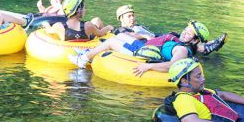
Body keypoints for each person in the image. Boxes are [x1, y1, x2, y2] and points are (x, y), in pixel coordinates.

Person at [70, 20, 226, 72]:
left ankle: (83, 59)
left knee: (111, 42)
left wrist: (148, 68)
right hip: (144, 45)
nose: (185, 32)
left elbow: (172, 66)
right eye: (186, 29)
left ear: (195, 40)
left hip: (142, 53)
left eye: (190, 33)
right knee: (120, 35)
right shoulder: (180, 40)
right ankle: (90, 52)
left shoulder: (182, 49)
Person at [164, 58, 244, 122]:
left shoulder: (201, 91)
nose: (203, 78)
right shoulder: (183, 99)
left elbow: (223, 95)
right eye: (198, 76)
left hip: (240, 121)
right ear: (185, 81)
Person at [43, 0, 113, 41]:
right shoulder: (88, 25)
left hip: (66, 50)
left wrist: (46, 24)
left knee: (96, 20)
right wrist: (109, 27)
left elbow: (48, 31)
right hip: (86, 47)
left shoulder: (59, 26)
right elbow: (100, 34)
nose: (85, 10)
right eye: (84, 8)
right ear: (79, 10)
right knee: (97, 20)